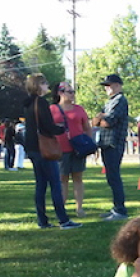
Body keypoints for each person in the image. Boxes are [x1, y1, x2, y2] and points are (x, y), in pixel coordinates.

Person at [23, 73, 82, 230]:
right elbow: (47, 126)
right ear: (38, 85)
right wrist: (60, 129)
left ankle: (42, 220)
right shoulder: (41, 103)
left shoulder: (28, 104)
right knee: (55, 184)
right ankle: (63, 220)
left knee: (41, 185)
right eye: (44, 83)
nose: (47, 85)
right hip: (44, 148)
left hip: (33, 148)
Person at [51, 82, 92, 218]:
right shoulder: (52, 109)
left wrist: (88, 144)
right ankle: (61, 209)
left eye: (73, 91)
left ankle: (79, 208)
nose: (73, 94)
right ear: (60, 93)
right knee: (62, 179)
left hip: (78, 149)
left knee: (78, 178)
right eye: (69, 91)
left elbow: (87, 128)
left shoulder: (79, 109)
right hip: (59, 149)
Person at [93, 74, 129, 221]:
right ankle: (116, 208)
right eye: (106, 86)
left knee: (114, 177)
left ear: (118, 86)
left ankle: (120, 210)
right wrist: (100, 118)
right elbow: (95, 121)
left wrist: (101, 118)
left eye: (110, 85)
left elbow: (109, 122)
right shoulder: (110, 102)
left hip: (114, 143)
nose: (108, 88)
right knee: (110, 177)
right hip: (105, 143)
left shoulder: (120, 100)